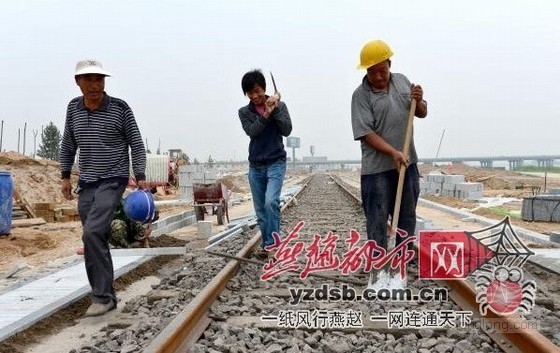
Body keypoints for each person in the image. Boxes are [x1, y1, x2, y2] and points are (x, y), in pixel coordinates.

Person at [59, 59, 147, 317]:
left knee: (93, 233)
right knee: (93, 237)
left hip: (113, 179)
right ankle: (106, 294)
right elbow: (68, 144)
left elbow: (137, 144)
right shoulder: (73, 108)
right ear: (78, 82)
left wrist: (140, 175)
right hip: (86, 183)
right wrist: (65, 176)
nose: (95, 85)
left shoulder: (120, 108)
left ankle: (101, 297)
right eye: (89, 80)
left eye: (99, 79)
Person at [351, 40, 428, 288]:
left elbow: (421, 112)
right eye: (372, 71)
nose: (378, 76)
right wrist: (393, 152)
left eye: (382, 70)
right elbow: (366, 133)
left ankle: (400, 264)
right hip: (377, 170)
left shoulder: (403, 81)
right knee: (377, 218)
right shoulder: (360, 96)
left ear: (390, 65)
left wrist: (420, 101)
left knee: (407, 216)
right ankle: (379, 267)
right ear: (366, 72)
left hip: (407, 163)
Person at [238, 70, 292, 259]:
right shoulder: (244, 112)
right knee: (261, 210)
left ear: (265, 88)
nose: (255, 96)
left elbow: (287, 130)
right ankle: (270, 244)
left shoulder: (281, 106)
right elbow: (252, 131)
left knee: (271, 202)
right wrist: (266, 114)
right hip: (256, 166)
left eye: (258, 91)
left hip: (276, 162)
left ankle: (273, 244)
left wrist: (274, 109)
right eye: (250, 93)